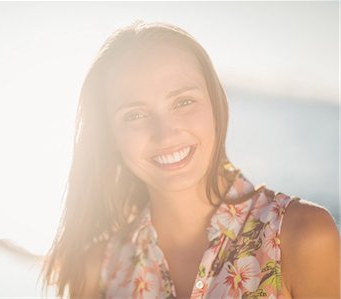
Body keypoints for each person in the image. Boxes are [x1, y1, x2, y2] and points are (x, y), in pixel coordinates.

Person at [40, 21, 340, 298]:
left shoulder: (300, 237)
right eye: (134, 115)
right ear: (110, 137)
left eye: (183, 102)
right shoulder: (99, 268)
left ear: (216, 104)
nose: (165, 134)